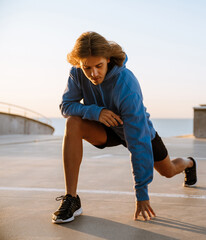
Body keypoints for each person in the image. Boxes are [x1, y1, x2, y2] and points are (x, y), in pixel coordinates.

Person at [52, 31, 197, 224]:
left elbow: (138, 141)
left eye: (99, 66)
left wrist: (141, 193)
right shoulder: (77, 73)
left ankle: (189, 163)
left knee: (168, 170)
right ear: (80, 64)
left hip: (136, 129)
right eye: (87, 68)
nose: (93, 74)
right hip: (104, 128)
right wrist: (96, 112)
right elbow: (66, 106)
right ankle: (71, 199)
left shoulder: (126, 84)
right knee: (72, 123)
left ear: (108, 59)